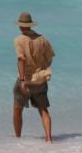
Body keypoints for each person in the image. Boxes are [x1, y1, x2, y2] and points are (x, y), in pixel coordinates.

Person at [12, 12, 54, 143]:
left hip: (26, 79)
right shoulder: (42, 39)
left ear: (20, 26)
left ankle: (17, 139)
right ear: (30, 25)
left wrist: (22, 80)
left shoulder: (19, 40)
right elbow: (50, 58)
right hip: (40, 80)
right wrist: (42, 68)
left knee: (18, 109)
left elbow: (21, 60)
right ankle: (48, 138)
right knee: (43, 109)